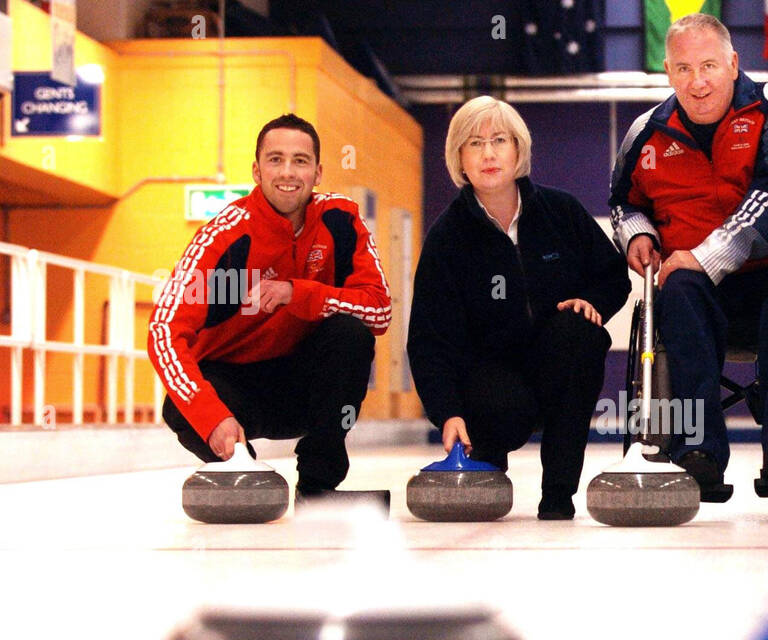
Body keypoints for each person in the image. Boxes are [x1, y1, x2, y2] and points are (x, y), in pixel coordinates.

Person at [608, 13, 768, 501]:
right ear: (668, 72)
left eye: (709, 65)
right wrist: (636, 235)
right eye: (684, 69)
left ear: (733, 63)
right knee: (678, 287)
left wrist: (705, 257)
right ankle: (697, 453)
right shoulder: (644, 132)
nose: (698, 81)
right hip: (701, 296)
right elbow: (624, 203)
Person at [406, 97, 630, 520]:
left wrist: (593, 302)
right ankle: (487, 474)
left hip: (555, 366)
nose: (488, 154)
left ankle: (558, 494)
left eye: (499, 140)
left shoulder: (560, 211)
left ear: (518, 149)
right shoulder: (447, 237)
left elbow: (613, 275)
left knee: (580, 331)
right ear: (459, 158)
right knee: (494, 399)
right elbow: (429, 338)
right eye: (475, 143)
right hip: (492, 381)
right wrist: (447, 412)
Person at [149, 113, 391, 500]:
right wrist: (212, 417)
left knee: (351, 333)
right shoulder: (224, 236)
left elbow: (379, 311)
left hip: (302, 387)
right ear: (257, 171)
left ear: (318, 172)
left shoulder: (341, 221)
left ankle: (318, 484)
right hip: (236, 391)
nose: (287, 172)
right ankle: (242, 472)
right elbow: (163, 331)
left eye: (300, 160)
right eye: (275, 160)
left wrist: (297, 293)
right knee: (180, 407)